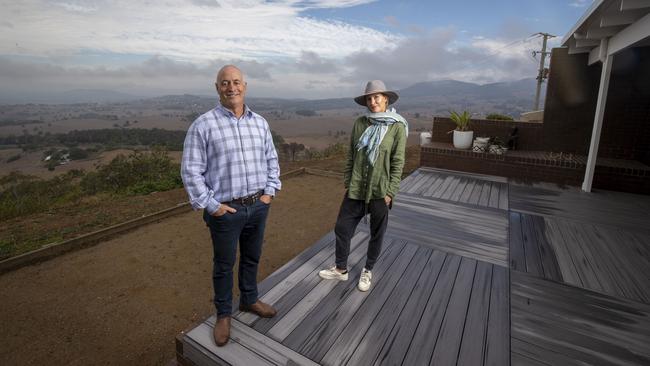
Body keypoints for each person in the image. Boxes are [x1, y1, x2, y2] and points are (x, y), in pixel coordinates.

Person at [181, 65, 281, 347]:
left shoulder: (259, 123)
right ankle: (224, 314)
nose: (231, 87)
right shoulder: (203, 125)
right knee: (224, 265)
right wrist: (211, 206)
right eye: (225, 83)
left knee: (252, 256)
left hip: (258, 205)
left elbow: (271, 160)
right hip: (226, 211)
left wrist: (269, 193)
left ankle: (249, 300)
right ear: (217, 88)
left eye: (236, 82)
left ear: (245, 86)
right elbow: (191, 172)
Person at [319, 80, 407, 292]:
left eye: (377, 97)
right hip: (357, 187)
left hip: (379, 191)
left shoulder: (397, 126)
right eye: (369, 98)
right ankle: (341, 268)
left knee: (377, 233)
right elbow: (351, 154)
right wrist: (349, 181)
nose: (373, 101)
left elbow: (398, 161)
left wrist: (390, 192)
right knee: (342, 227)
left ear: (386, 99)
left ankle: (368, 269)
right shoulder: (361, 123)